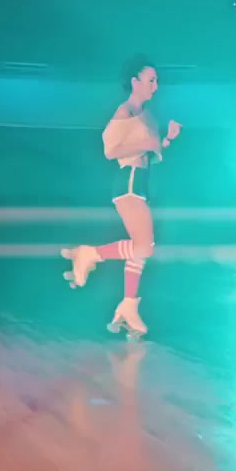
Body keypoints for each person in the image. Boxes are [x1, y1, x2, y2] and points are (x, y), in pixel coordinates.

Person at [62, 55, 181, 338]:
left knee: (141, 247)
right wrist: (146, 143)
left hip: (140, 182)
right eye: (150, 79)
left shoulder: (147, 114)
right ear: (134, 81)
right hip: (128, 181)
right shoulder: (125, 111)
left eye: (157, 80)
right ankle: (89, 254)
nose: (155, 85)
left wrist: (167, 140)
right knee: (145, 247)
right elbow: (110, 150)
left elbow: (153, 153)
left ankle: (128, 306)